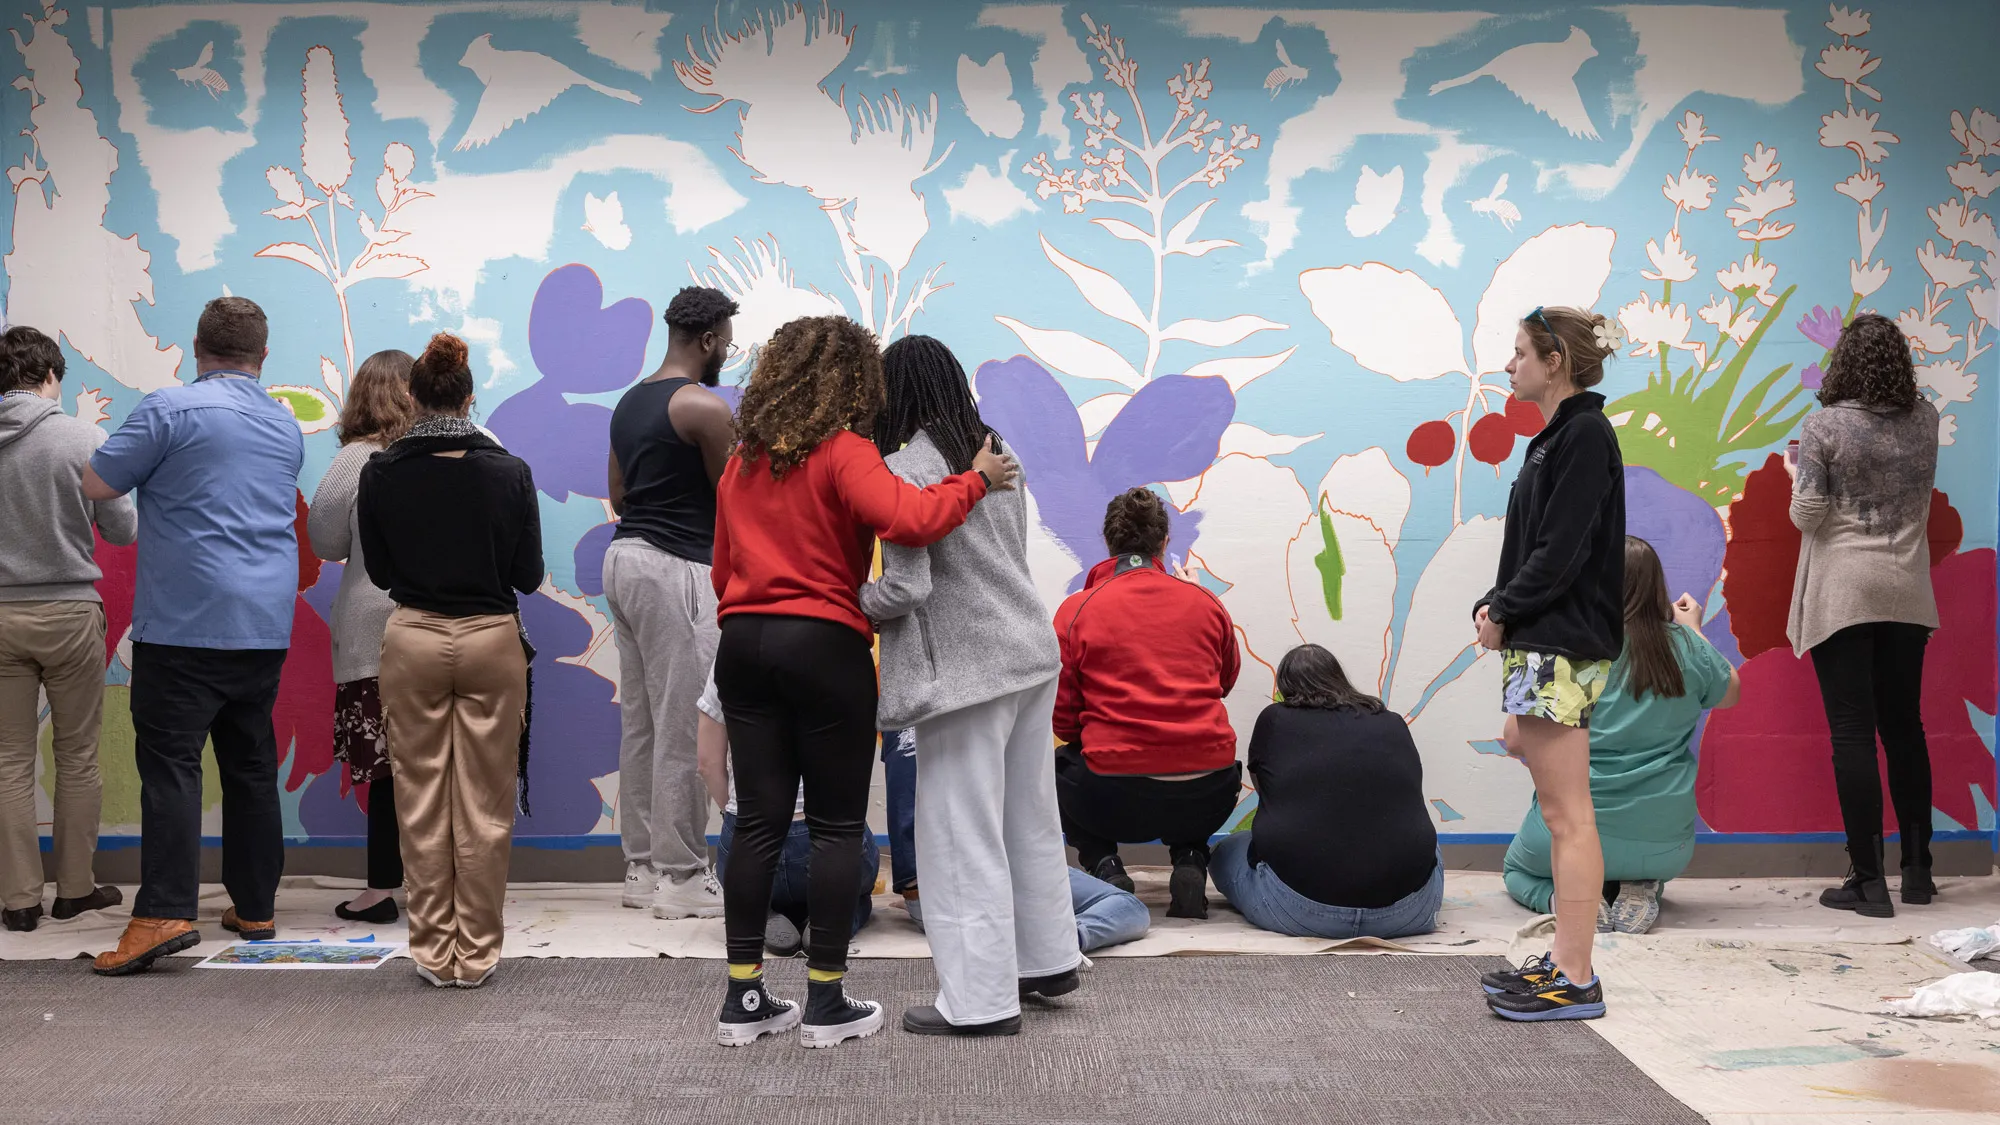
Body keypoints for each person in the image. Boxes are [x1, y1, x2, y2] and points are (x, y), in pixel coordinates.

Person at [708, 314, 1016, 1049]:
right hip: (823, 645)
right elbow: (907, 518)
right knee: (841, 824)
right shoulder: (844, 451)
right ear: (854, 380)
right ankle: (823, 1002)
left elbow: (721, 567)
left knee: (758, 821)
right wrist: (977, 479)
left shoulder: (741, 459)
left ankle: (743, 1000)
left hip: (741, 643)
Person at [861, 334, 1081, 1038]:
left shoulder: (903, 466)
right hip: (1028, 649)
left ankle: (979, 1000)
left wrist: (844, 602)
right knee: (1029, 820)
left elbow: (906, 584)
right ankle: (1046, 961)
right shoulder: (996, 451)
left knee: (959, 835)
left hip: (963, 669)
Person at [83, 297, 305, 976]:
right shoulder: (285, 424)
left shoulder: (169, 408)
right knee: (249, 762)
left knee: (172, 765)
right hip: (264, 622)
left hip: (184, 621)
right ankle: (256, 905)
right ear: (262, 357)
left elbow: (96, 480)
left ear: (197, 347)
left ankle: (164, 911)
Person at [358, 333, 542, 988]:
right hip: (492, 637)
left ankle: (434, 953)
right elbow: (528, 573)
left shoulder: (381, 472)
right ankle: (479, 954)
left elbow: (380, 571)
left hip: (412, 637)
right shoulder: (510, 472)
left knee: (420, 799)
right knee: (486, 805)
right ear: (469, 399)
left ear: (412, 397)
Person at [1472, 305, 1624, 1022]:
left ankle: (1576, 973)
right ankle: (1567, 960)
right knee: (1548, 790)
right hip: (1541, 638)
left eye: (1519, 351)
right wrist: (1497, 602)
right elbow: (1535, 547)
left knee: (1567, 815)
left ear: (1554, 359)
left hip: (1558, 640)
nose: (1510, 364)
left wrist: (1503, 610)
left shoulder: (1585, 434)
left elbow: (1561, 551)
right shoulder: (1556, 438)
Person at [1502, 537, 1740, 933]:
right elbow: (1730, 692)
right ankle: (1642, 886)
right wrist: (1693, 631)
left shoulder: (1563, 648)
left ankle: (1567, 900)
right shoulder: (1684, 647)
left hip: (1567, 836)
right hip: (1667, 846)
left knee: (1515, 871)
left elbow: (1513, 740)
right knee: (1640, 855)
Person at [1788, 312, 1941, 917]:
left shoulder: (1824, 425)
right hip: (1907, 590)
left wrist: (1795, 471)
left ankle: (1869, 883)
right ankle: (1920, 873)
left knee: (1852, 733)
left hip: (1845, 591)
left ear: (1844, 362)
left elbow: (1807, 516)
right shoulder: (1926, 419)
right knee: (1905, 728)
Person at [605, 286, 739, 920]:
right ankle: (682, 878)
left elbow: (619, 493)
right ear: (708, 340)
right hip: (676, 567)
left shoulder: (629, 404)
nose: (728, 355)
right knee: (686, 722)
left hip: (623, 561)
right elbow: (739, 501)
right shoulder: (703, 408)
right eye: (727, 343)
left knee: (643, 723)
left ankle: (640, 868)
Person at [1051, 488, 1240, 920]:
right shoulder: (1207, 604)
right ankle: (1191, 858)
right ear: (1164, 543)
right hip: (1209, 791)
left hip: (1111, 794)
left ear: (1109, 542)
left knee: (1062, 767)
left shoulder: (1075, 611)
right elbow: (1224, 682)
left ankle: (1105, 864)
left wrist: (1113, 735)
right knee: (1192, 762)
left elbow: (1063, 720)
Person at [0, 326, 134, 933]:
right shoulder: (82, 436)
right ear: (50, 376)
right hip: (70, 612)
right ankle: (75, 889)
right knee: (77, 755)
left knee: (8, 760)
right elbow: (122, 530)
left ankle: (18, 899)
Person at [1209, 644, 1442, 940]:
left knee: (1226, 850)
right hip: (1410, 914)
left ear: (1284, 689)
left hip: (1298, 912)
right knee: (1425, 844)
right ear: (1338, 679)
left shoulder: (1275, 719)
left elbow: (1266, 791)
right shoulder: (1391, 721)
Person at [307, 349, 415, 924]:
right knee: (440, 758)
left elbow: (325, 540)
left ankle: (381, 888)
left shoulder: (356, 459)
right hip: (441, 626)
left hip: (372, 630)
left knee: (385, 767)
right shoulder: (444, 449)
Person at [696, 665, 879, 956]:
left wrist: (733, 818)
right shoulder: (834, 644)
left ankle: (761, 912)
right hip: (819, 841)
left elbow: (707, 763)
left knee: (747, 880)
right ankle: (833, 919)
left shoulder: (729, 653)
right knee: (857, 874)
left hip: (747, 842)